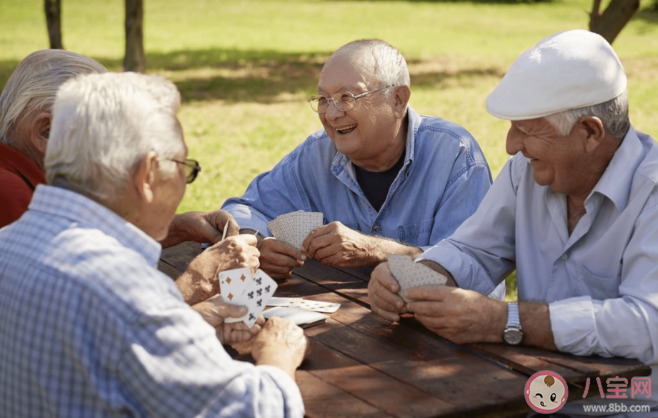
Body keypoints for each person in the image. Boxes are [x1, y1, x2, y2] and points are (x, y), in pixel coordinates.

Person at [368, 29, 658, 415]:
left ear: (590, 132)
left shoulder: (652, 192)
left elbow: (647, 323)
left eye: (526, 129)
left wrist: (506, 321)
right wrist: (416, 276)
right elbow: (475, 249)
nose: (510, 145)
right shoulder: (528, 170)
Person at [0, 72, 307, 417]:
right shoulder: (126, 288)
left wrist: (187, 323)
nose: (184, 185)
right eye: (183, 167)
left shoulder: (8, 243)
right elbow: (253, 410)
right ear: (147, 175)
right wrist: (278, 353)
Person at [222, 39, 503, 298]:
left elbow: (472, 274)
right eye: (323, 99)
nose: (332, 114)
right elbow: (244, 210)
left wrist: (376, 251)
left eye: (347, 96)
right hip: (340, 330)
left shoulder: (454, 154)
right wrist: (259, 245)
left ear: (398, 100)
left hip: (429, 339)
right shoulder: (316, 154)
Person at [0, 49, 241, 250]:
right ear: (46, 132)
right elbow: (84, 287)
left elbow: (92, 242)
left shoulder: (33, 180)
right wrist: (199, 281)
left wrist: (176, 228)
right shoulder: (11, 194)